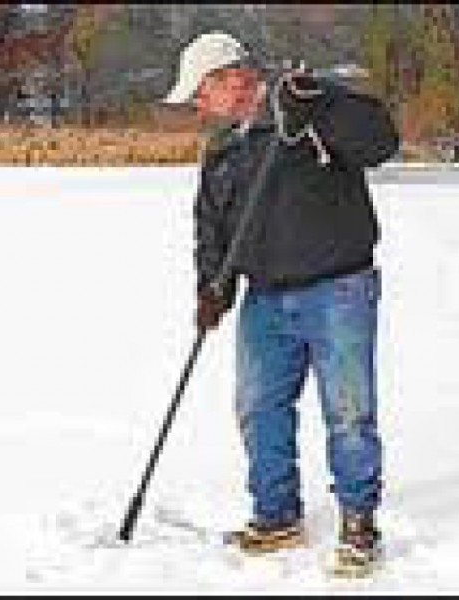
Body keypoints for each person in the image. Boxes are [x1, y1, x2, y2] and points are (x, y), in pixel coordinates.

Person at [161, 31, 400, 576]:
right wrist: (210, 285)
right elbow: (211, 227)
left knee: (348, 414)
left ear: (231, 79)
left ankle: (359, 521)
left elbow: (380, 142)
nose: (197, 106)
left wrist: (325, 102)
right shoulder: (223, 147)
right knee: (258, 409)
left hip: (338, 288)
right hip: (265, 298)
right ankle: (276, 515)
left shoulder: (306, 109)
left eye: (200, 92)